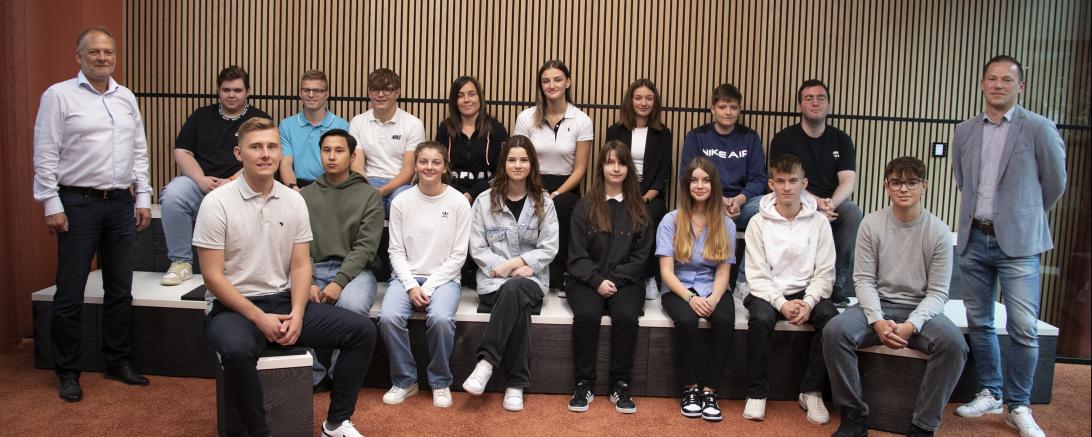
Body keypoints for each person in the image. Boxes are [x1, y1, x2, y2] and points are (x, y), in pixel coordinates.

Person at [196, 117, 376, 437]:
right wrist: (259, 319)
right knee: (237, 353)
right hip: (233, 308)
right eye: (256, 147)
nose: (265, 154)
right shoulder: (216, 203)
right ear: (239, 154)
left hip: (282, 298)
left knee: (361, 331)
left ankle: (335, 424)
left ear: (281, 152)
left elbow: (300, 265)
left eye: (272, 147)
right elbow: (212, 277)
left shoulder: (294, 199)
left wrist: (298, 312)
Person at [33, 26, 153, 402]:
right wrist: (50, 203)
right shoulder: (59, 96)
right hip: (77, 204)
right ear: (79, 56)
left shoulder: (126, 97)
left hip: (120, 203)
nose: (103, 58)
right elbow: (45, 153)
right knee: (70, 292)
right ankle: (67, 370)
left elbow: (139, 149)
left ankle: (117, 360)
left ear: (115, 57)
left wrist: (143, 195)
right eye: (95, 52)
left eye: (108, 52)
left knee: (120, 289)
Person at [952, 55, 1066, 437]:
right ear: (982, 84)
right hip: (974, 238)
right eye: (992, 79)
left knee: (1023, 327)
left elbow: (1054, 184)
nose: (998, 85)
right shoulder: (965, 131)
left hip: (1018, 243)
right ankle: (991, 390)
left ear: (1021, 86)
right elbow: (962, 179)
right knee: (980, 320)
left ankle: (1019, 405)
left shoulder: (1039, 128)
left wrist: (1022, 215)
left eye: (1007, 80)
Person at [824, 156, 967, 437]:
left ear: (924, 186)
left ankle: (923, 425)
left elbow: (938, 292)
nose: (904, 189)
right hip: (877, 305)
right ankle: (854, 416)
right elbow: (863, 280)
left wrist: (912, 324)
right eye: (897, 183)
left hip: (920, 309)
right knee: (834, 332)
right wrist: (877, 320)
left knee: (954, 345)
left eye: (911, 183)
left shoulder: (938, 231)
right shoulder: (871, 224)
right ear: (886, 186)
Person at [461, 136, 559, 412]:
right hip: (494, 282)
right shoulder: (483, 201)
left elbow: (550, 247)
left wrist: (514, 263)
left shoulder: (544, 202)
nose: (518, 165)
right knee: (516, 302)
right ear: (503, 164)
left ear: (532, 164)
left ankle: (486, 363)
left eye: (524, 160)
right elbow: (477, 247)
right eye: (512, 159)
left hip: (532, 281)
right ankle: (515, 384)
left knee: (516, 290)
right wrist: (505, 269)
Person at [742, 153, 838, 424]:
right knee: (759, 319)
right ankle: (757, 392)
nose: (786, 187)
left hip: (807, 291)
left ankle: (811, 391)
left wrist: (808, 302)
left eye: (793, 181)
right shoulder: (757, 223)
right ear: (771, 184)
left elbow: (825, 272)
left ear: (803, 183)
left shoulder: (819, 222)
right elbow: (757, 276)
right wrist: (781, 303)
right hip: (768, 292)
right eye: (781, 181)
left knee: (831, 320)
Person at [378, 142, 472, 408]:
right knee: (388, 318)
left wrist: (428, 287)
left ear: (445, 166)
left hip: (444, 279)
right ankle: (405, 380)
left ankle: (440, 381)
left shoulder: (458, 202)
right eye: (423, 162)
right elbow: (395, 251)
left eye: (436, 162)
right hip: (406, 276)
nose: (429, 167)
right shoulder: (401, 201)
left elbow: (458, 256)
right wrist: (410, 286)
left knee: (441, 318)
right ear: (415, 166)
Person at [159, 65, 271, 286]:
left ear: (247, 91)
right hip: (201, 184)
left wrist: (230, 182)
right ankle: (181, 263)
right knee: (172, 194)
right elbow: (182, 151)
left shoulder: (258, 119)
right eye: (226, 89)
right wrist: (201, 179)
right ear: (219, 91)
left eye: (237, 90)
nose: (231, 95)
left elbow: (263, 157)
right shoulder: (201, 115)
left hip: (242, 185)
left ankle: (244, 270)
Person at [565, 140, 653, 414]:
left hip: (626, 281)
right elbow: (576, 255)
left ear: (629, 168)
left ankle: (620, 384)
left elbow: (641, 257)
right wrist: (596, 281)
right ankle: (584, 383)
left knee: (626, 315)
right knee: (587, 315)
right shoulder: (584, 206)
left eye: (622, 163)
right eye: (610, 162)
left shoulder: (639, 208)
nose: (616, 168)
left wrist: (614, 280)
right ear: (601, 166)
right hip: (586, 280)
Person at [299, 129, 384, 390]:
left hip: (356, 271)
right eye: (326, 151)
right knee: (293, 304)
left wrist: (339, 282)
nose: (332, 157)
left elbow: (365, 248)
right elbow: (298, 247)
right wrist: (308, 281)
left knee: (352, 307)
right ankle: (314, 376)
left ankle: (339, 376)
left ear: (352, 156)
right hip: (312, 267)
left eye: (339, 151)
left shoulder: (369, 196)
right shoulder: (304, 195)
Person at [657, 157, 737, 422]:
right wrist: (691, 297)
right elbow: (666, 272)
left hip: (713, 286)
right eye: (694, 180)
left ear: (714, 185)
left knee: (725, 319)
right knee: (687, 320)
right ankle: (690, 389)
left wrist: (713, 299)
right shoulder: (671, 220)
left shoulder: (726, 224)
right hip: (679, 288)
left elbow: (724, 271)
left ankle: (710, 391)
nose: (700, 185)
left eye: (706, 180)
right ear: (686, 184)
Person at [768, 79, 862, 305]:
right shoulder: (784, 139)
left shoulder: (841, 139)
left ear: (828, 104)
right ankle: (781, 282)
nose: (815, 102)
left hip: (831, 202)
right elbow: (783, 181)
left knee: (852, 213)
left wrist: (830, 203)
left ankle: (836, 284)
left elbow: (848, 180)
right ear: (800, 105)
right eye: (809, 98)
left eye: (821, 98)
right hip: (795, 198)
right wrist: (816, 203)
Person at [513, 60, 593, 290]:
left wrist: (556, 192)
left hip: (565, 186)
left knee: (562, 207)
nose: (552, 85)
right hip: (529, 181)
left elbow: (580, 169)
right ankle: (523, 269)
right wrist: (536, 188)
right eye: (546, 81)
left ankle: (561, 277)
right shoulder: (526, 118)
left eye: (557, 79)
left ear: (567, 82)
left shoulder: (582, 120)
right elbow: (520, 157)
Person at [605, 78, 673, 298]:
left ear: (655, 102)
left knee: (649, 216)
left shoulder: (663, 133)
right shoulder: (615, 130)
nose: (643, 103)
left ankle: (648, 276)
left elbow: (663, 173)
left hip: (649, 195)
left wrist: (645, 197)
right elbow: (609, 166)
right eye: (638, 98)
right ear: (630, 101)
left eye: (649, 98)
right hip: (619, 187)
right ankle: (610, 271)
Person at [348, 68, 425, 214]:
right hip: (367, 181)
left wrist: (382, 191)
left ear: (397, 92)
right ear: (369, 93)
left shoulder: (413, 124)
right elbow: (357, 166)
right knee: (352, 201)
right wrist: (369, 189)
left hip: (400, 184)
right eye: (375, 89)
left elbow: (409, 170)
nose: (380, 94)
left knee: (404, 203)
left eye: (387, 90)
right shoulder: (358, 122)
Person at [436, 75, 510, 203]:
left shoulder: (496, 129)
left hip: (489, 195)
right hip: (450, 195)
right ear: (454, 101)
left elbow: (503, 170)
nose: (466, 100)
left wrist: (473, 193)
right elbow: (438, 166)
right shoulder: (445, 128)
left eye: (471, 94)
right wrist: (459, 194)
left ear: (479, 97)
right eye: (460, 96)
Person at [279, 70, 351, 189]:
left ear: (326, 94)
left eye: (317, 91)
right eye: (306, 90)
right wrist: (293, 188)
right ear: (300, 93)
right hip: (296, 186)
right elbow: (285, 163)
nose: (311, 95)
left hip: (331, 186)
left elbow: (342, 166)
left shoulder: (342, 126)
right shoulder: (286, 125)